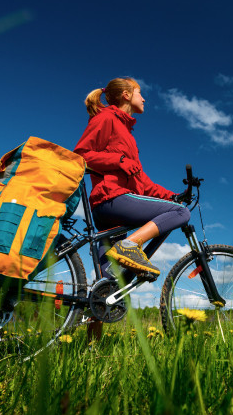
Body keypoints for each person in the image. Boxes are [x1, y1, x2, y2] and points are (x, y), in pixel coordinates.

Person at [74, 77, 190, 282]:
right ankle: (129, 245)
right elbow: (81, 156)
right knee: (180, 212)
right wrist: (118, 160)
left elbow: (142, 182)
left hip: (114, 208)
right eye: (140, 93)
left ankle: (98, 310)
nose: (144, 99)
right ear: (126, 95)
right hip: (112, 199)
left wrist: (172, 196)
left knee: (113, 284)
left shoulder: (127, 133)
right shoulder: (106, 118)